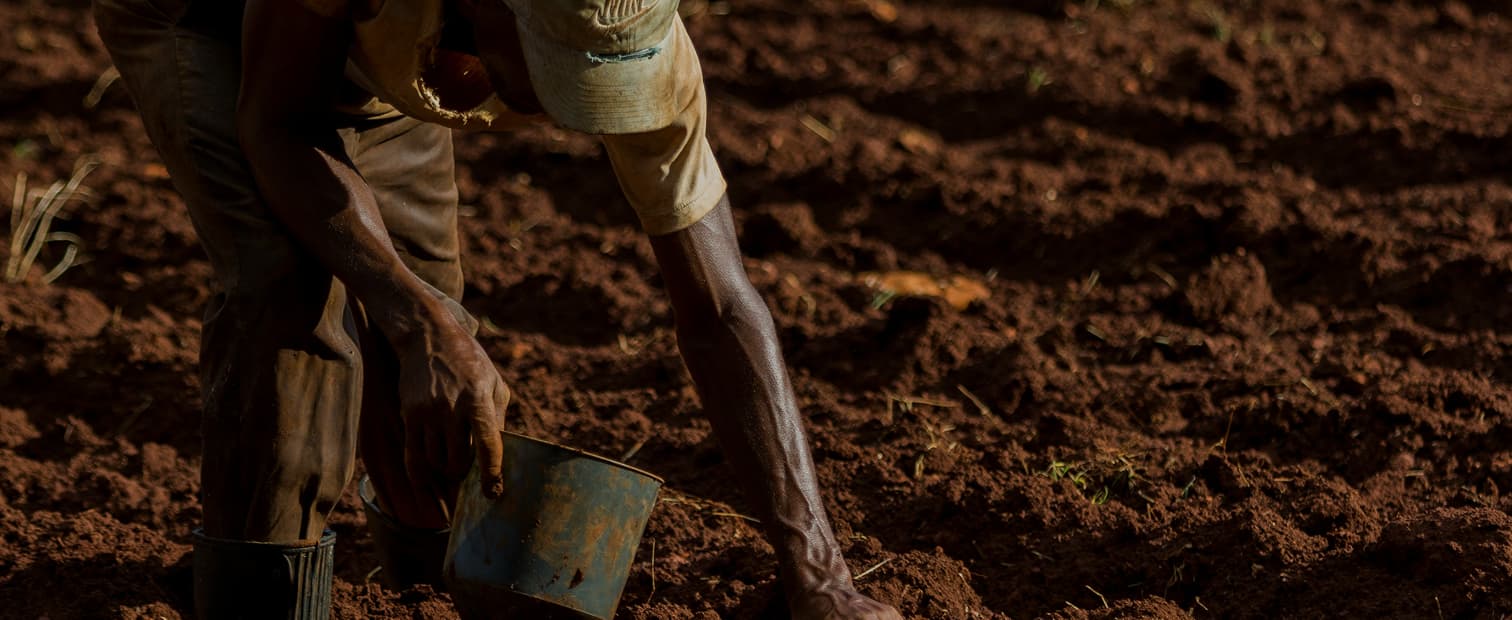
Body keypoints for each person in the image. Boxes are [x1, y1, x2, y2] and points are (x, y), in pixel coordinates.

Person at [92, 0, 903, 618]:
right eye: (559, 65)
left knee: (429, 304)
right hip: (204, 18)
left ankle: (419, 586)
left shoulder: (648, 43)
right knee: (293, 298)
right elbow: (276, 124)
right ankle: (255, 595)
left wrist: (819, 575)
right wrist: (416, 322)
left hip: (383, 50)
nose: (570, 107)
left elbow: (722, 306)